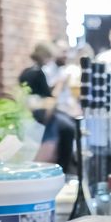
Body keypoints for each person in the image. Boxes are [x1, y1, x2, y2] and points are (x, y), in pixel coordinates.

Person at [19, 41, 76, 173]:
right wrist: (60, 84)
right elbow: (49, 98)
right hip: (42, 114)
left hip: (33, 113)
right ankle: (64, 168)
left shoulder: (26, 72)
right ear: (45, 56)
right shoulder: (38, 73)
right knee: (69, 127)